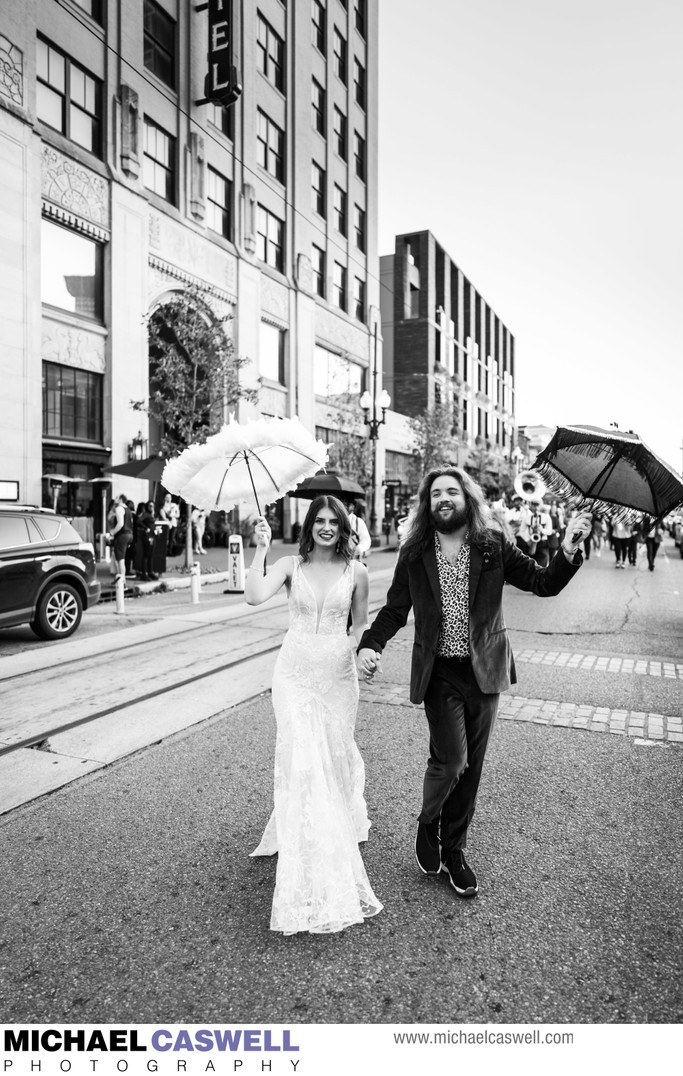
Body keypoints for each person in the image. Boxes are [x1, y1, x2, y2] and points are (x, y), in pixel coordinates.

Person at [357, 467, 591, 899]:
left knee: (472, 769)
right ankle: (429, 821)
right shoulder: (414, 552)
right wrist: (369, 645)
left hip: (485, 670)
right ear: (428, 504)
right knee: (451, 760)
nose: (444, 498)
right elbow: (394, 609)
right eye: (436, 494)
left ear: (467, 498)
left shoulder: (492, 544)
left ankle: (455, 852)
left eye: (452, 491)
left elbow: (542, 583)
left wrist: (569, 550)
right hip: (439, 671)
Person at [245, 495, 383, 935]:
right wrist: (259, 548)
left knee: (334, 755)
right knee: (302, 757)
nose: (326, 527)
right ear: (310, 526)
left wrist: (366, 653)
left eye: (333, 521)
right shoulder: (289, 565)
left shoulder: (357, 571)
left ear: (342, 526)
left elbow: (360, 623)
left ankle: (334, 821)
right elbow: (252, 596)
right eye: (319, 521)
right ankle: (308, 846)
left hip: (338, 674)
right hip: (294, 672)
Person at [107, 493, 134, 583]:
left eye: (117, 497)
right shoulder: (128, 509)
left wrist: (112, 532)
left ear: (121, 499)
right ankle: (119, 578)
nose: (115, 499)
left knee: (120, 559)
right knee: (121, 558)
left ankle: (122, 581)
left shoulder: (119, 508)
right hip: (129, 535)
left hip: (122, 535)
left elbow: (120, 524)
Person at [138, 501, 159, 581]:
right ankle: (144, 573)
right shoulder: (145, 514)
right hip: (147, 536)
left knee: (151, 555)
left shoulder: (150, 514)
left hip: (152, 535)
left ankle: (150, 572)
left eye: (153, 506)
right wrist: (146, 527)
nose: (151, 507)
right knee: (146, 555)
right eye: (150, 506)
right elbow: (139, 521)